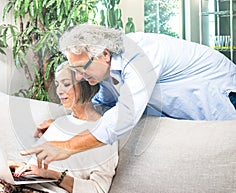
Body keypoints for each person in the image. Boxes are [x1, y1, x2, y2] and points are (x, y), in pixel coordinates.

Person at [22, 23, 236, 168]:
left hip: (224, 95)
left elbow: (125, 115)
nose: (78, 76)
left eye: (81, 68)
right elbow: (102, 106)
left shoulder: (141, 55)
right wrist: (64, 123)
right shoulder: (103, 71)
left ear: (104, 54)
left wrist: (68, 146)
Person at [0, 61, 118, 193]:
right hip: (27, 187)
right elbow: (37, 167)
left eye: (66, 84)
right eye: (57, 84)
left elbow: (98, 189)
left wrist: (54, 175)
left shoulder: (104, 135)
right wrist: (19, 167)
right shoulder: (59, 123)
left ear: (87, 84)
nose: (59, 91)